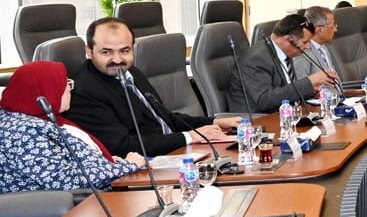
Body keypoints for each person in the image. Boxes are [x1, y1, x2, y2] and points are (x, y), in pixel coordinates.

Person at [67, 17, 239, 159]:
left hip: (174, 153)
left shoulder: (132, 73)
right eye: (106, 52)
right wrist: (189, 137)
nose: (117, 59)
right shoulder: (84, 91)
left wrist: (214, 122)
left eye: (125, 51)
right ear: (89, 51)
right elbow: (122, 146)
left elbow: (165, 118)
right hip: (145, 165)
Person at [1, 61, 143, 193]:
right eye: (65, 83)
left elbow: (63, 162)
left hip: (94, 194)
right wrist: (127, 166)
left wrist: (103, 162)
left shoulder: (36, 119)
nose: (70, 88)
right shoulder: (25, 133)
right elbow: (65, 182)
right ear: (46, 91)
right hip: (77, 205)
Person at [227, 14, 337, 113]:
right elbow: (264, 100)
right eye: (305, 42)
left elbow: (285, 92)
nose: (308, 47)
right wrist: (309, 82)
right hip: (257, 119)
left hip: (283, 115)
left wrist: (312, 90)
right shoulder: (256, 58)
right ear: (288, 40)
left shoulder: (285, 52)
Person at [295, 6, 340, 80]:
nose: (335, 29)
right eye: (333, 25)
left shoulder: (323, 47)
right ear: (319, 29)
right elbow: (301, 85)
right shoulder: (302, 53)